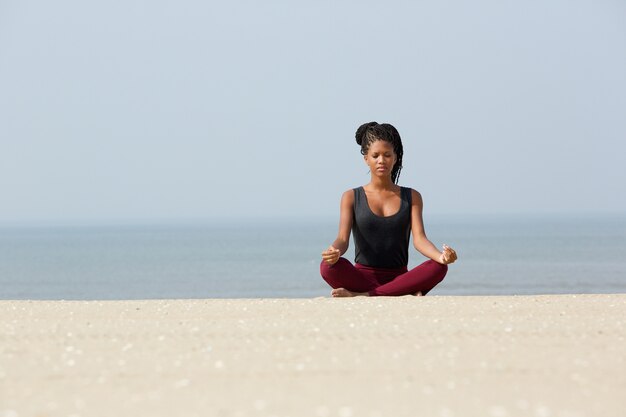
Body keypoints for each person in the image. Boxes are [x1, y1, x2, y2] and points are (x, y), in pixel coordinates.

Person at [320, 122, 458, 297]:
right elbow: (342, 239)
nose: (381, 160)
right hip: (361, 277)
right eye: (375, 155)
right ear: (366, 159)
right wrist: (334, 251)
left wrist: (441, 257)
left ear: (395, 157)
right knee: (327, 266)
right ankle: (394, 292)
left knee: (439, 267)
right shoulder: (350, 197)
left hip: (400, 277)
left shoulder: (412, 196)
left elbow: (420, 240)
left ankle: (364, 295)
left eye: (387, 155)